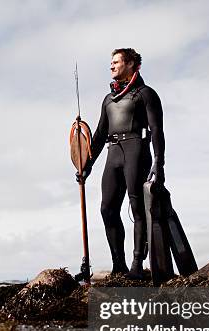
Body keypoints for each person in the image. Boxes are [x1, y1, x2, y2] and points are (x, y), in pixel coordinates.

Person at [77, 48, 165, 279]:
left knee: (138, 210)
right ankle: (119, 265)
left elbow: (157, 130)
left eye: (116, 62)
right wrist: (87, 165)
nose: (111, 66)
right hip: (112, 152)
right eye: (111, 62)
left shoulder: (146, 94)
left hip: (136, 150)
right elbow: (98, 135)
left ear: (131, 64)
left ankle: (137, 265)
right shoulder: (108, 100)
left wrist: (159, 163)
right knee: (107, 209)